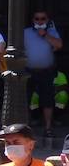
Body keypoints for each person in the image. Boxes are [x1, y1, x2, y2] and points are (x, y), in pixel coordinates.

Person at [25, 9, 63, 141]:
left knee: (48, 100)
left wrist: (45, 34)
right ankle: (24, 127)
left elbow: (59, 45)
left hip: (46, 71)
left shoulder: (52, 32)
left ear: (47, 20)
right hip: (28, 71)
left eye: (43, 19)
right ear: (33, 20)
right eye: (37, 19)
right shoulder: (26, 32)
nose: (40, 21)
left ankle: (48, 128)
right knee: (25, 99)